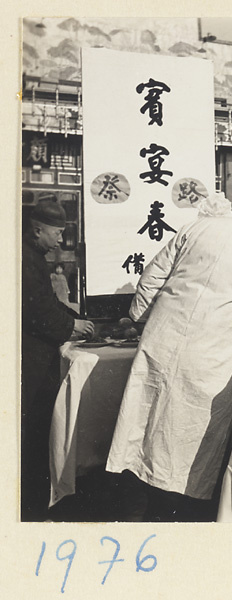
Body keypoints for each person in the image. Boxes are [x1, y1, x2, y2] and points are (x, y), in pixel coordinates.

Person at [105, 179, 232, 521]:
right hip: (209, 354)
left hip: (161, 339)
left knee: (142, 431)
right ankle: (173, 521)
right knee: (186, 445)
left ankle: (133, 513)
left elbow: (150, 281)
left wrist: (141, 322)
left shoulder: (195, 227)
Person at [22, 201, 94, 520]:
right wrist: (70, 326)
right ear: (38, 229)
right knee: (33, 425)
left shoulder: (33, 255)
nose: (61, 242)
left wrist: (73, 317)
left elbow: (48, 302)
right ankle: (31, 505)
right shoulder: (23, 258)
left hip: (37, 351)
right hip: (29, 357)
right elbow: (35, 311)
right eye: (57, 234)